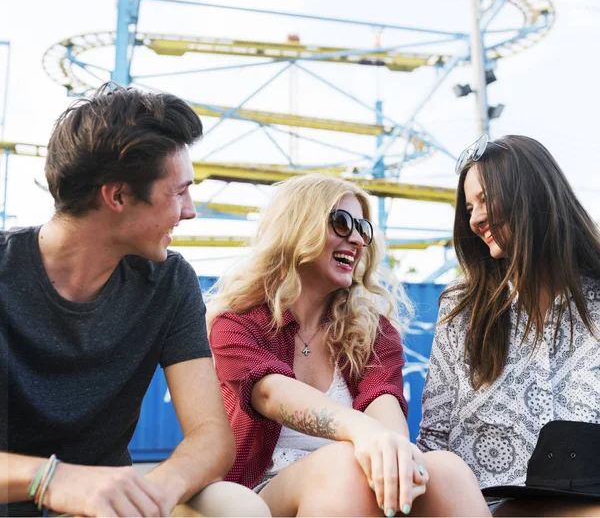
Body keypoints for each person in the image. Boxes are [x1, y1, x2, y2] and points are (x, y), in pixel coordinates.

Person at [0, 84, 269, 518]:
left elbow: (211, 438)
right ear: (118, 196)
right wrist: (54, 480)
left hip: (106, 510)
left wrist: (155, 494)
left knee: (234, 506)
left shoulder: (169, 281)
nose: (190, 210)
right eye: (178, 192)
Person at [207, 174, 490, 517]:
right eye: (341, 223)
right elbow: (269, 392)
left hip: (353, 480)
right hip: (258, 490)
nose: (357, 239)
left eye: (363, 228)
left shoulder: (373, 330)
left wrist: (392, 449)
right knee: (343, 462)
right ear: (297, 228)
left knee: (448, 470)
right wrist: (362, 431)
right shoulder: (237, 322)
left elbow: (382, 401)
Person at [417, 134, 600, 516]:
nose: (475, 218)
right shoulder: (460, 308)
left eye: (485, 199)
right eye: (469, 207)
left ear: (532, 190)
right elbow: (432, 441)